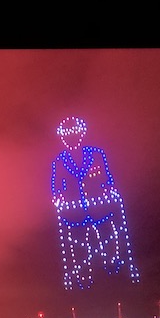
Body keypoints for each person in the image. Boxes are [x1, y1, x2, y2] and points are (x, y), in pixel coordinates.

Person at [50, 116, 140, 290]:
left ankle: (113, 266)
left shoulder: (96, 154)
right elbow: (56, 187)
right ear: (63, 138)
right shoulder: (59, 162)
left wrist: (110, 189)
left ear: (81, 134)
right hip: (74, 211)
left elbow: (107, 177)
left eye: (75, 133)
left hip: (100, 207)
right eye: (67, 135)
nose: (71, 138)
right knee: (78, 244)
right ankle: (83, 276)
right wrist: (58, 199)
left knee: (111, 234)